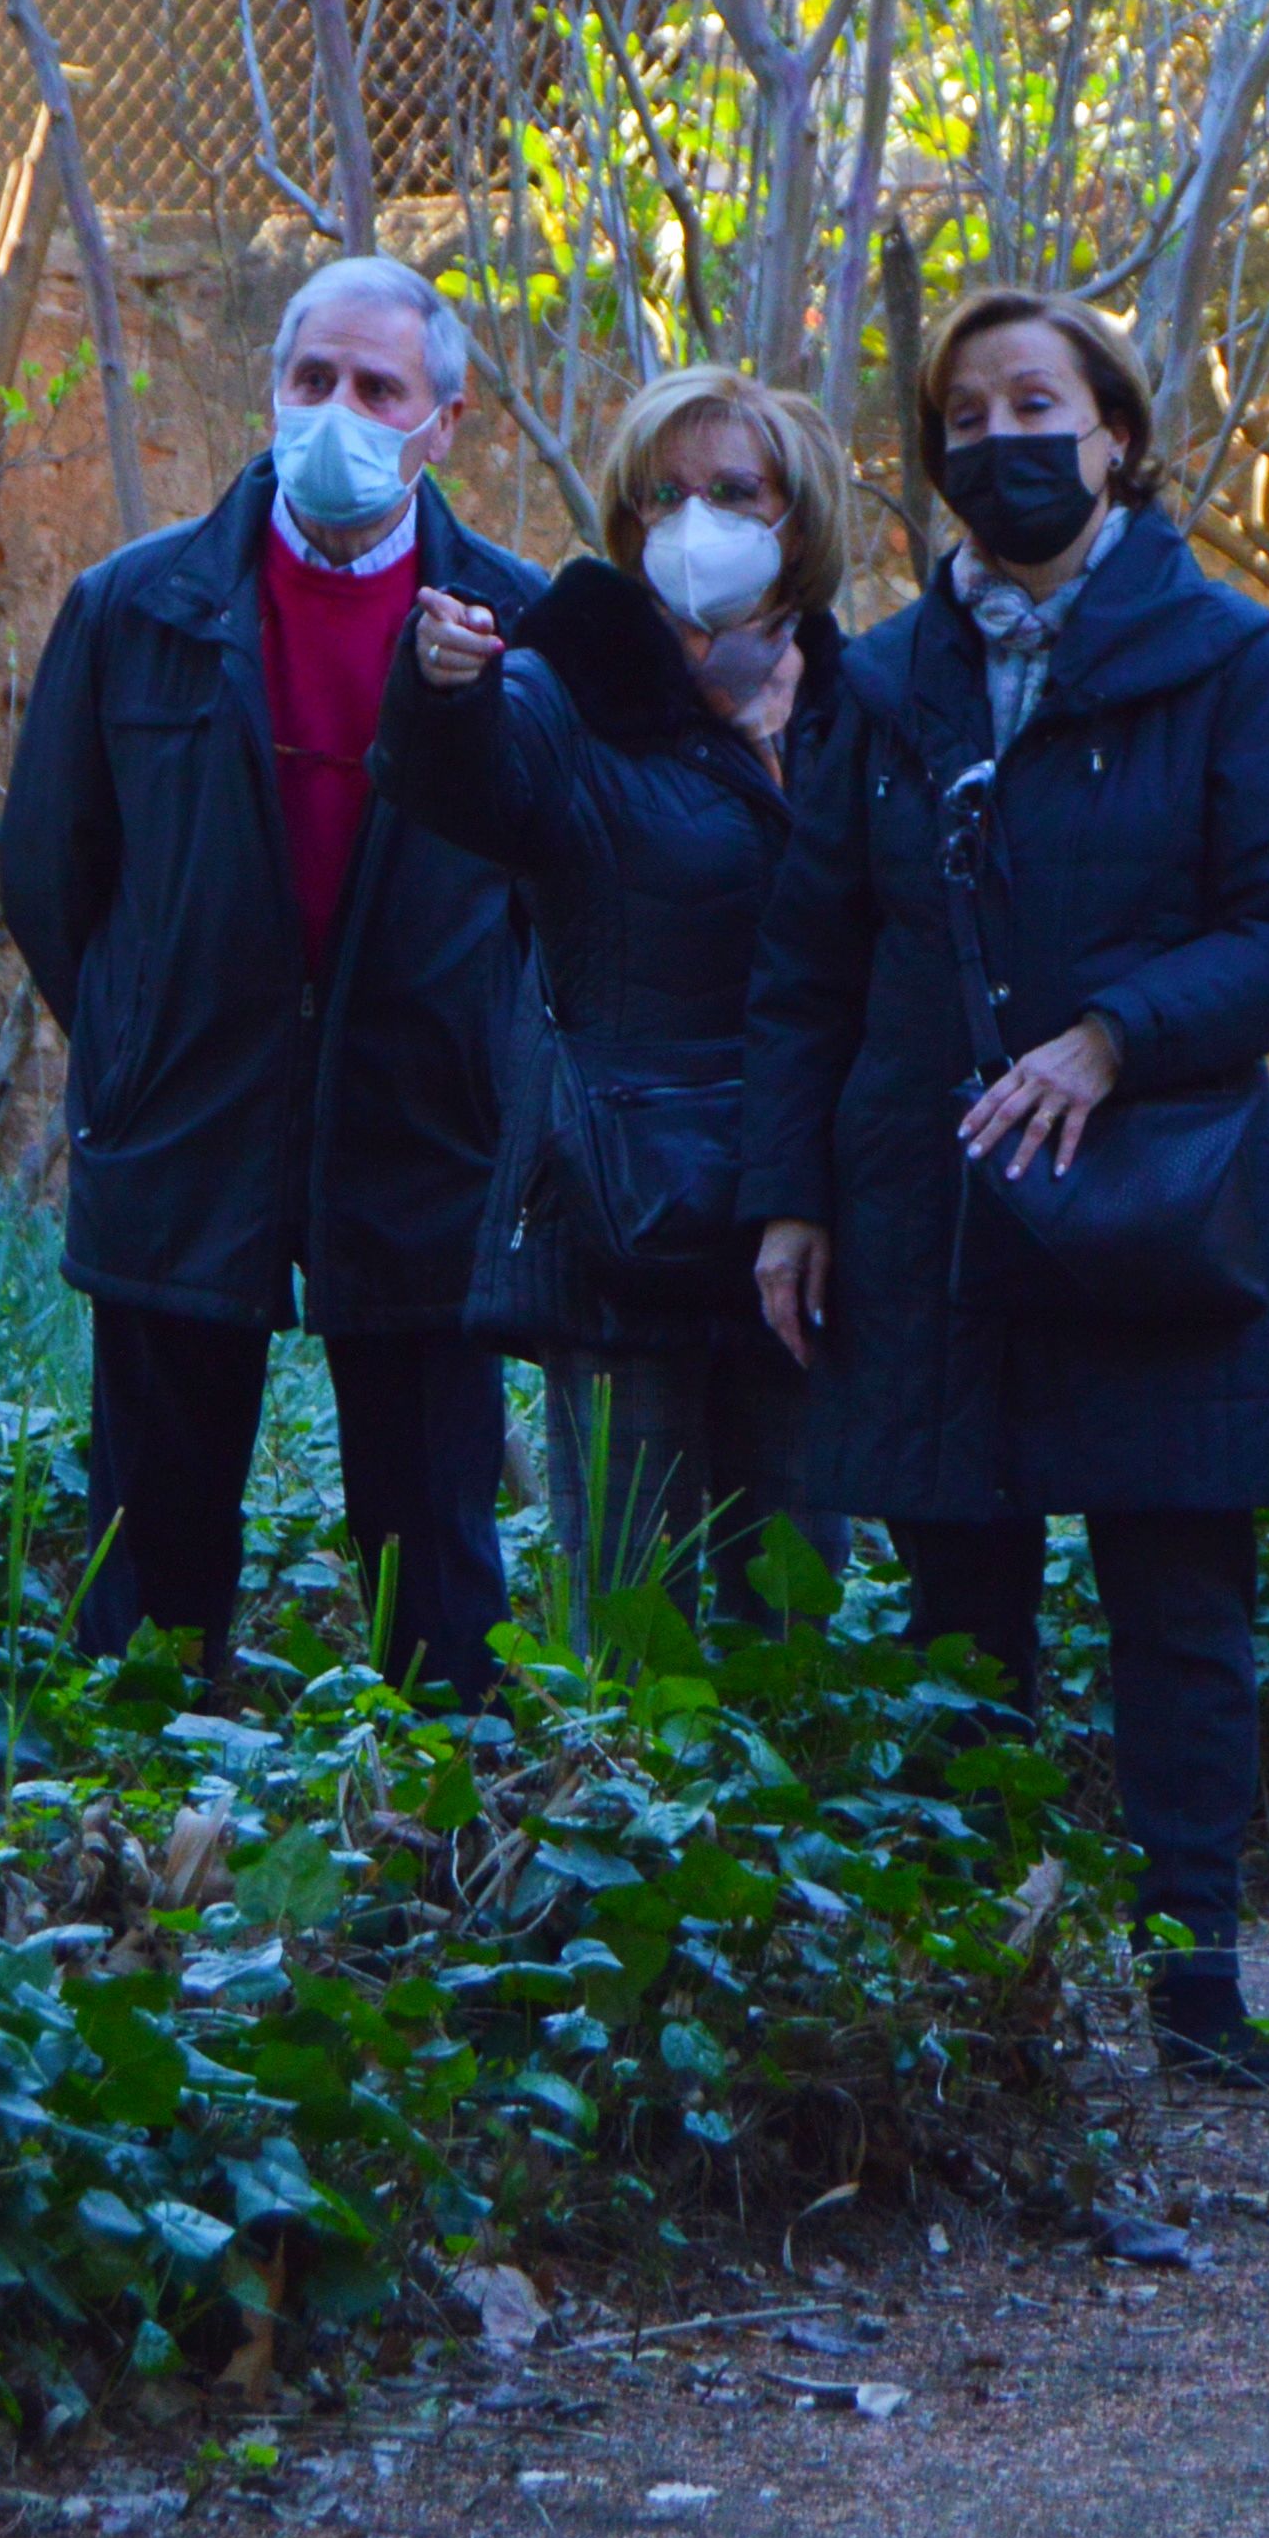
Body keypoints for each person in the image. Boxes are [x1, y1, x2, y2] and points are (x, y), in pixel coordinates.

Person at [742, 290, 1269, 2083]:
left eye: (1040, 404)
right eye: (966, 413)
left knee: (1180, 1609)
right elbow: (808, 959)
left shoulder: (1240, 665)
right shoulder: (873, 683)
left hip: (1156, 1200)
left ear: (1118, 438)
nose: (1002, 439)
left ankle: (1193, 1978)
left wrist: (1110, 1038)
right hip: (930, 1215)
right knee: (956, 1616)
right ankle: (980, 1980)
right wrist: (790, 1196)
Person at [0, 254, 550, 1702]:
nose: (339, 415)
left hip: (426, 1137)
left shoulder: (519, 624)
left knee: (434, 1552)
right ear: (271, 390)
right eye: (313, 381)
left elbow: (562, 888)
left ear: (446, 419)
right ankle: (139, 1863)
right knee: (153, 1548)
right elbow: (53, 869)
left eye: (378, 389)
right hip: (186, 1125)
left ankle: (436, 1863)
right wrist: (134, 1035)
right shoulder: (136, 610)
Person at [390, 365, 857, 1634]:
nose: (692, 519)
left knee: (796, 1616)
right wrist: (443, 691)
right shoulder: (562, 689)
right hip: (625, 1209)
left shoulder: (859, 706)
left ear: (797, 519)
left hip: (812, 1210)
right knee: (630, 1633)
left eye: (730, 490)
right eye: (659, 495)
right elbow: (468, 786)